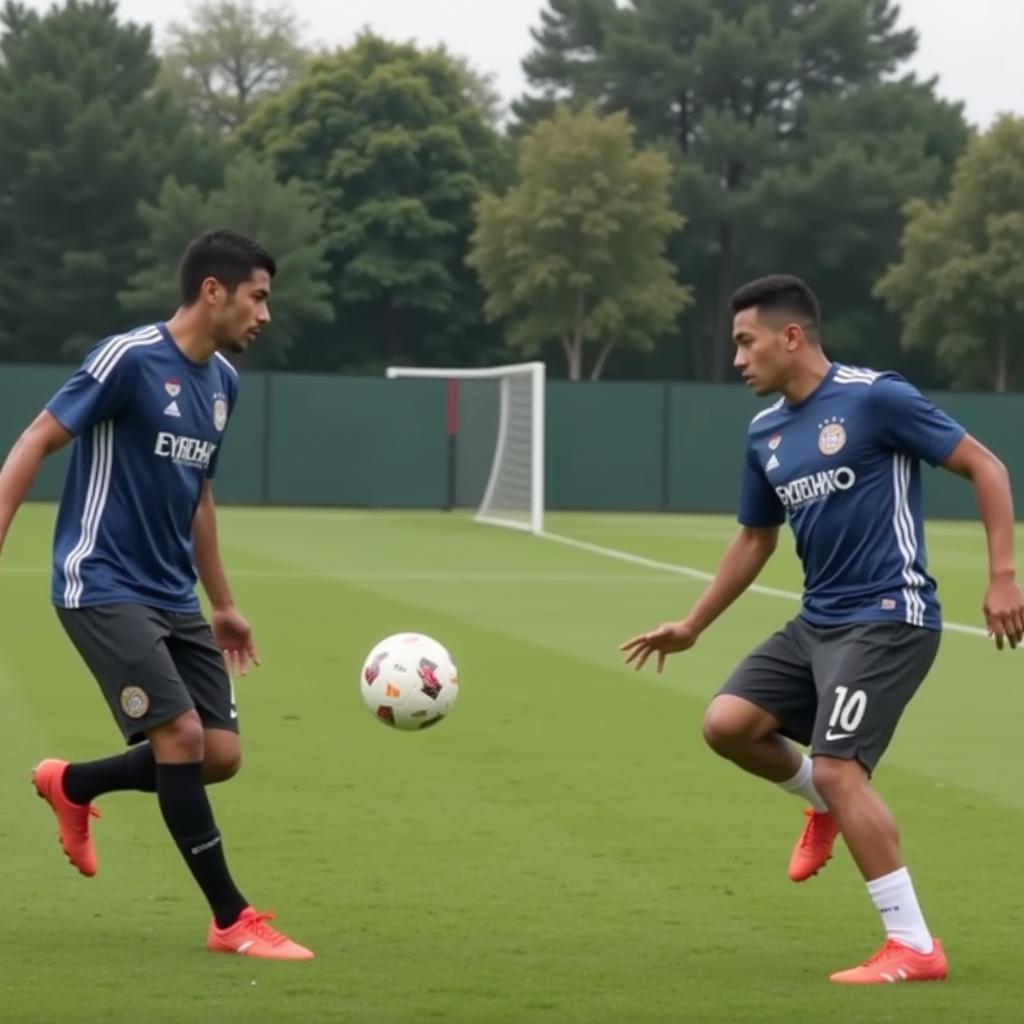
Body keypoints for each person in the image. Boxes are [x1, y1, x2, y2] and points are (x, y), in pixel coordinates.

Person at [620, 274, 1024, 984]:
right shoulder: (764, 433)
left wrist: (1001, 576)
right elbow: (754, 540)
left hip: (889, 617)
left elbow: (985, 466)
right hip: (819, 620)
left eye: (746, 343)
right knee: (728, 724)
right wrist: (693, 624)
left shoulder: (876, 397)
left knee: (842, 768)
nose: (738, 359)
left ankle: (915, 947)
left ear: (791, 336)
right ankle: (825, 806)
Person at [0, 228, 314, 960]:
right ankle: (231, 918)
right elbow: (34, 439)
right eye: (259, 297)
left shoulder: (224, 384)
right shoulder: (130, 358)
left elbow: (198, 495)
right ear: (214, 292)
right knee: (181, 738)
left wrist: (225, 602)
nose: (266, 314)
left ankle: (72, 784)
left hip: (173, 594)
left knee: (220, 754)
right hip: (100, 580)